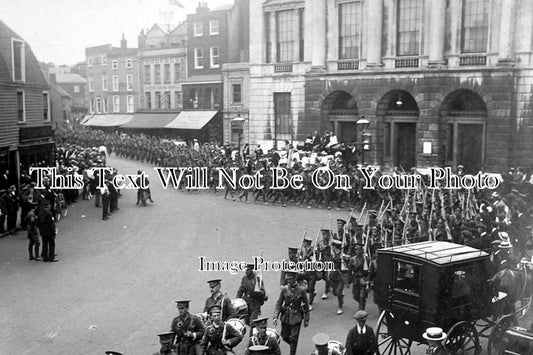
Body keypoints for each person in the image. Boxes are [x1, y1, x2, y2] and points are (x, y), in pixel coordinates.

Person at [273, 271, 310, 355]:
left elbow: (306, 306)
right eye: (287, 279)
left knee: (293, 338)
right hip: (285, 316)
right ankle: (293, 345)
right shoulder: (284, 290)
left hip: (297, 316)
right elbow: (279, 303)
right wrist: (275, 316)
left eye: (290, 279)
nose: (288, 281)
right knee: (284, 336)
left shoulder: (301, 290)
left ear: (295, 278)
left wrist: (306, 319)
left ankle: (293, 350)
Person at [236, 264, 267, 331]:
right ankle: (257, 331)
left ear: (252, 270)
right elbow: (241, 290)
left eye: (248, 270)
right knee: (247, 321)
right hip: (246, 304)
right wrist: (237, 300)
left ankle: (252, 339)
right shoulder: (244, 279)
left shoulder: (258, 279)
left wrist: (258, 292)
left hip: (255, 304)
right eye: (246, 270)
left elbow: (263, 292)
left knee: (253, 323)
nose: (246, 272)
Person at [348, 244, 370, 312]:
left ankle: (361, 309)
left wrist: (369, 281)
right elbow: (349, 270)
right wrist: (348, 281)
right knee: (355, 296)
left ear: (362, 251)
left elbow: (369, 271)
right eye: (355, 249)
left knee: (362, 296)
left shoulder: (366, 259)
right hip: (355, 279)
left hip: (363, 279)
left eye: (358, 249)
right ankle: (361, 303)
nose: (356, 251)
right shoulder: (352, 259)